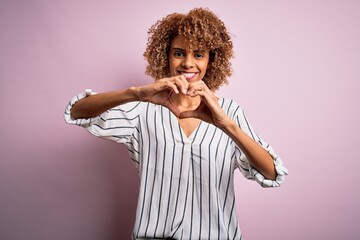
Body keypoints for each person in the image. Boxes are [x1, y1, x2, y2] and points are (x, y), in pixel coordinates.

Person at [64, 8, 288, 240]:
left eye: (199, 54)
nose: (188, 63)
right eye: (179, 53)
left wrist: (226, 125)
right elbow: (78, 112)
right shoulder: (143, 109)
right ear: (166, 56)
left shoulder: (229, 111)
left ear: (212, 60)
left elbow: (272, 174)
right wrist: (136, 92)